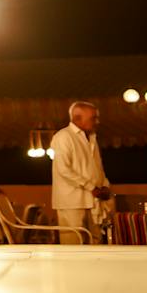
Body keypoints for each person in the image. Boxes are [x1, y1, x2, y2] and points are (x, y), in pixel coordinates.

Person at [50, 101, 111, 244]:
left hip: (93, 200)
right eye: (93, 118)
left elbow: (98, 167)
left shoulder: (92, 137)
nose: (97, 121)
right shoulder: (63, 136)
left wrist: (104, 185)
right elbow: (64, 169)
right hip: (72, 201)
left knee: (96, 241)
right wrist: (91, 187)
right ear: (77, 118)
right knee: (74, 242)